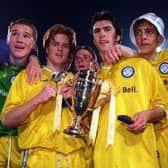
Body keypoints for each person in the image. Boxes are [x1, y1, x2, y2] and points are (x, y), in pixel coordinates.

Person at [1, 23, 89, 168]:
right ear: (47, 48)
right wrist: (37, 99)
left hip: (75, 158)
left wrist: (76, 99)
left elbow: (88, 125)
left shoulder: (79, 82)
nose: (60, 49)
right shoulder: (27, 76)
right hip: (38, 158)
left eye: (65, 46)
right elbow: (7, 120)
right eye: (55, 44)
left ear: (70, 52)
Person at [89, 10, 168, 168]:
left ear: (118, 37)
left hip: (143, 155)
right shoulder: (92, 77)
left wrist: (147, 116)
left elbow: (163, 106)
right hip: (103, 159)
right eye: (97, 31)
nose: (102, 35)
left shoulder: (140, 65)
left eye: (107, 29)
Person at [0, 18, 41, 167]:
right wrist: (34, 57)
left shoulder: (40, 75)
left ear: (33, 45)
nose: (19, 39)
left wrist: (34, 59)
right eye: (15, 34)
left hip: (23, 146)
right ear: (8, 39)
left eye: (26, 36)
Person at [129, 12, 168, 168]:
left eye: (149, 31)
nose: (142, 37)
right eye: (138, 32)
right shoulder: (129, 65)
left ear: (160, 38)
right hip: (139, 137)